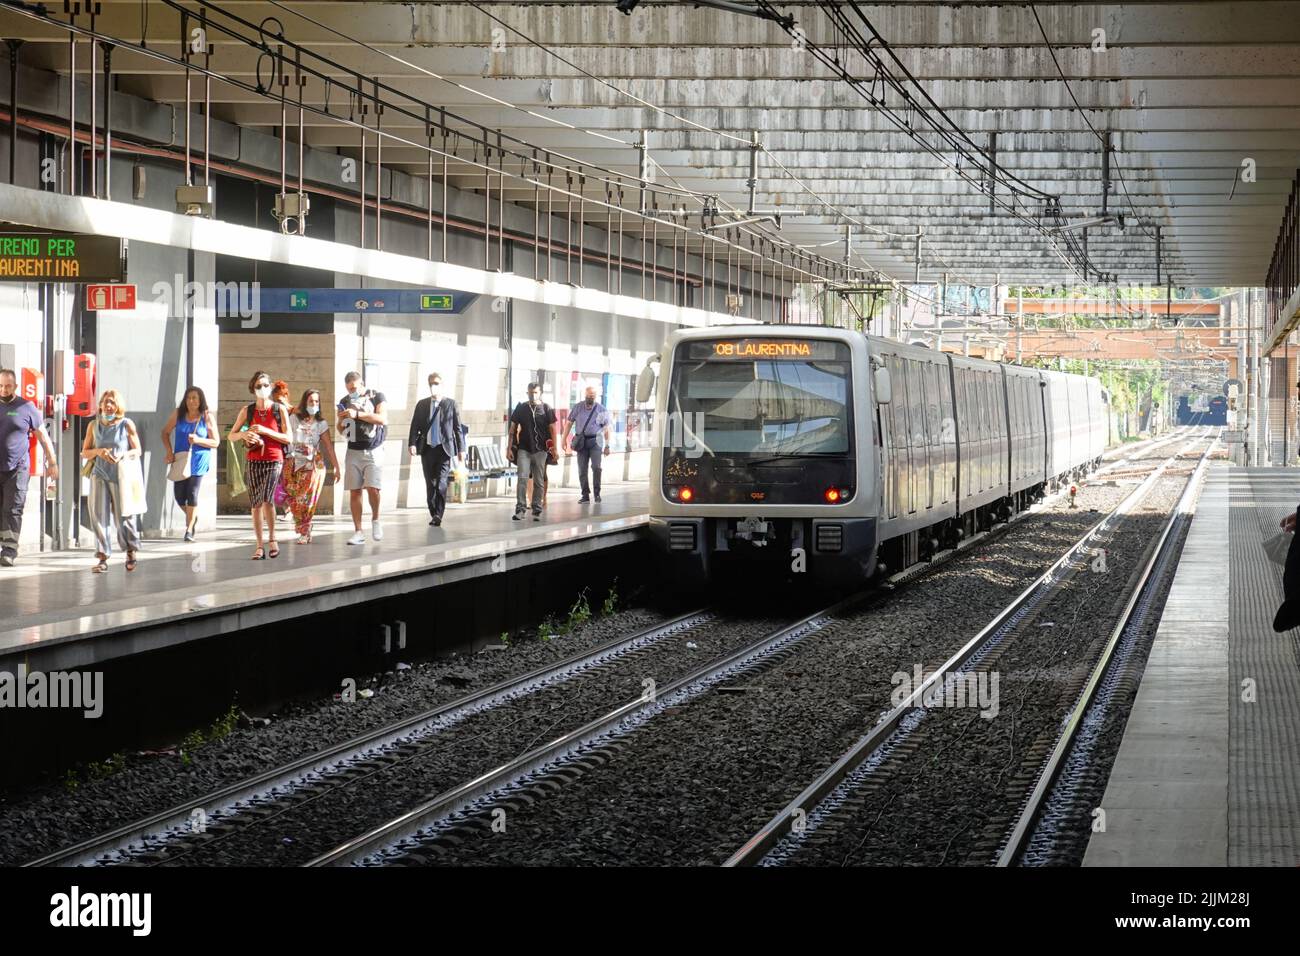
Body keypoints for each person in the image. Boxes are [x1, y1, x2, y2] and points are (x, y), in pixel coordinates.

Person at [227, 370, 291, 559]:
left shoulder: (279, 410)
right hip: (254, 459)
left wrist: (265, 431)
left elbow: (288, 438)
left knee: (266, 499)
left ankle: (272, 538)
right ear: (252, 389)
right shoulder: (248, 411)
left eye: (265, 385)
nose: (262, 389)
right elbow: (231, 435)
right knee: (255, 503)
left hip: (274, 458)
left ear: (271, 387)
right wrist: (244, 435)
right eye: (258, 386)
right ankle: (259, 545)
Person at [0, 368, 59, 567]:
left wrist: (52, 462)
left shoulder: (27, 407)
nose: (4, 389)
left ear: (15, 386)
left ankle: (9, 550)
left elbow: (42, 435)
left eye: (8, 386)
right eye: (0, 386)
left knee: (12, 509)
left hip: (18, 468)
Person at [80, 389, 142, 572]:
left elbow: (137, 450)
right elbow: (85, 451)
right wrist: (99, 452)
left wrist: (122, 454)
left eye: (112, 402)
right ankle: (102, 557)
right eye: (105, 401)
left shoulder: (126, 424)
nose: (108, 405)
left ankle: (130, 550)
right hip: (99, 475)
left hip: (120, 476)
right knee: (98, 516)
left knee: (124, 515)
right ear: (100, 405)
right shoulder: (93, 425)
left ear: (118, 406)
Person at [161, 386, 218, 542]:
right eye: (188, 398)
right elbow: (165, 432)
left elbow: (216, 442)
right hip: (181, 458)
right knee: (179, 496)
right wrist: (169, 452)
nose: (191, 401)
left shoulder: (207, 416)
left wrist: (199, 440)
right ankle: (192, 517)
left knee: (192, 493)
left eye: (195, 398)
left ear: (200, 401)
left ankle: (189, 529)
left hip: (199, 458)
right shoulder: (178, 414)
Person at [336, 371, 388, 545]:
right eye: (349, 389)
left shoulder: (376, 396)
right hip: (353, 449)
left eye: (355, 388)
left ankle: (375, 519)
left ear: (362, 384)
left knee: (373, 487)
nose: (352, 391)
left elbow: (382, 419)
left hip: (374, 448)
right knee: (355, 490)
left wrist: (357, 414)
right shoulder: (344, 402)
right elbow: (341, 429)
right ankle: (358, 531)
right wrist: (342, 420)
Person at [408, 372, 465, 527]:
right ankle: (434, 513)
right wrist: (412, 443)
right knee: (430, 484)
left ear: (442, 385)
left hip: (444, 450)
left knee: (441, 483)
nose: (434, 386)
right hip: (427, 450)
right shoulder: (422, 404)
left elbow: (458, 429)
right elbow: (415, 426)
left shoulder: (450, 404)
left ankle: (439, 514)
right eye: (432, 383)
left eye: (437, 383)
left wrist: (461, 450)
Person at [284, 388, 340, 544]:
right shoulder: (294, 418)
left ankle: (305, 530)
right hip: (293, 462)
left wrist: (336, 467)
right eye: (311, 401)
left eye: (317, 401)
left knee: (307, 498)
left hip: (313, 464)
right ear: (305, 402)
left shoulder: (321, 423)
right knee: (293, 497)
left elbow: (329, 446)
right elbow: (286, 438)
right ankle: (303, 526)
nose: (314, 404)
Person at [507, 382, 556, 522]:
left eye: (535, 392)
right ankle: (520, 509)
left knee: (539, 480)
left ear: (540, 393)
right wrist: (509, 448)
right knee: (522, 478)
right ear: (527, 393)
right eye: (530, 392)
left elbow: (553, 429)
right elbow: (512, 429)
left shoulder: (546, 408)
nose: (532, 395)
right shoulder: (522, 408)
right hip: (524, 449)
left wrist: (555, 448)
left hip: (541, 450)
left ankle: (537, 509)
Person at [563, 384, 613, 504]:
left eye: (593, 396)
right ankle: (585, 495)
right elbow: (569, 423)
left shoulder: (601, 409)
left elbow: (606, 429)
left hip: (596, 442)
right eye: (589, 395)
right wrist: (563, 439)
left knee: (596, 467)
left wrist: (607, 445)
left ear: (596, 396)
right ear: (585, 395)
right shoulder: (578, 407)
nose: (591, 398)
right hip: (581, 442)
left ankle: (597, 494)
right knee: (582, 470)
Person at [271, 380, 293, 523]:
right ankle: (285, 509)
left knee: (286, 481)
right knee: (277, 481)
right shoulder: (271, 408)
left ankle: (289, 510)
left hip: (286, 448)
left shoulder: (288, 409)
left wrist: (285, 404)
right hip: (275, 446)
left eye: (282, 396)